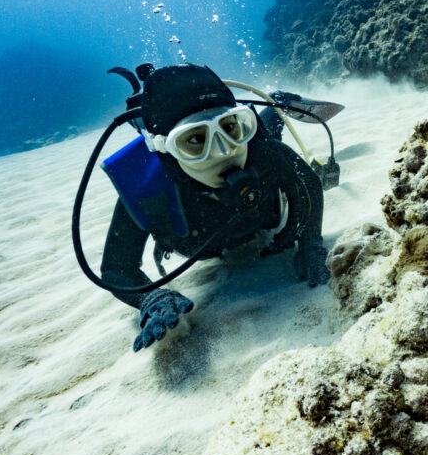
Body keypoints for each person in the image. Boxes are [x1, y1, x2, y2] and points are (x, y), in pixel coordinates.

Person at [99, 63, 330, 351]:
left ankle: (276, 102)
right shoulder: (148, 190)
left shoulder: (261, 151)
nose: (225, 151)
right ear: (166, 150)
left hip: (255, 212)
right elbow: (115, 269)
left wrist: (311, 240)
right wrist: (150, 297)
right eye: (195, 140)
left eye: (231, 127)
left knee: (269, 127)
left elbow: (307, 182)